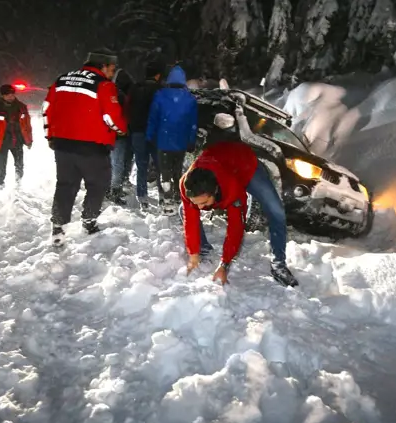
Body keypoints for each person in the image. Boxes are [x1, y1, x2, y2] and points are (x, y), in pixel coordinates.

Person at [181, 141, 299, 287]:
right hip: (219, 158)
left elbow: (235, 228)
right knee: (184, 209)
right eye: (195, 203)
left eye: (204, 203)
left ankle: (278, 264)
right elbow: (190, 221)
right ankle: (203, 248)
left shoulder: (232, 192)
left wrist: (224, 264)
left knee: (276, 210)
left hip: (246, 165)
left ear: (215, 192)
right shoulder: (187, 185)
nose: (199, 207)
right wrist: (193, 253)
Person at [43, 49, 127, 246]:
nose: (112, 73)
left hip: (62, 144)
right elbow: (111, 118)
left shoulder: (62, 79)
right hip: (92, 146)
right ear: (102, 66)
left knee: (65, 184)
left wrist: (50, 135)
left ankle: (58, 226)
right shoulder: (103, 85)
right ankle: (89, 220)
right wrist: (121, 130)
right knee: (98, 183)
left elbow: (46, 109)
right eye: (111, 69)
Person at [146, 63, 198, 214]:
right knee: (178, 170)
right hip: (181, 141)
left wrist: (150, 135)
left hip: (163, 140)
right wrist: (191, 140)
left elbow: (153, 118)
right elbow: (193, 123)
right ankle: (178, 196)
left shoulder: (160, 95)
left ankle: (167, 198)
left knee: (164, 170)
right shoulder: (190, 99)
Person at [125, 60, 163, 211]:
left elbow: (127, 108)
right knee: (161, 166)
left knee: (141, 165)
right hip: (156, 133)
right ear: (158, 75)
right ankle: (163, 196)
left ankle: (143, 199)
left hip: (137, 132)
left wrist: (131, 126)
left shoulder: (135, 88)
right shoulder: (160, 89)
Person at [107, 67, 135, 205]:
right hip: (121, 134)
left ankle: (108, 189)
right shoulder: (124, 96)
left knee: (111, 163)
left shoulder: (110, 92)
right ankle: (115, 191)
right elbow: (125, 115)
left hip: (108, 134)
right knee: (118, 163)